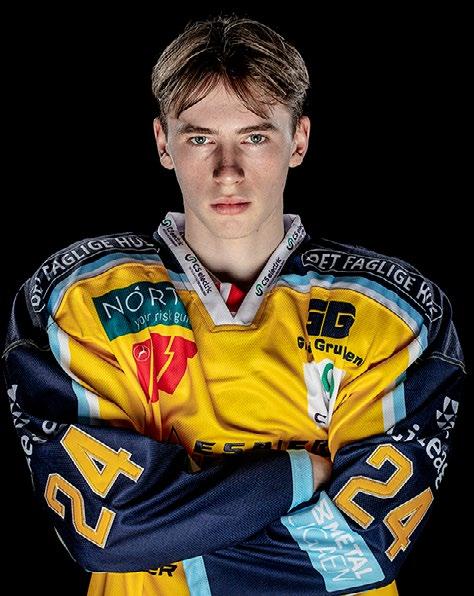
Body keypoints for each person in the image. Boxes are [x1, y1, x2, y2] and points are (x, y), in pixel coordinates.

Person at [2, 14, 465, 596]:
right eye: (200, 138)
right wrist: (298, 476)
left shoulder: (395, 311)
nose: (228, 171)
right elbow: (107, 533)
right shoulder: (77, 297)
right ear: (162, 143)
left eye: (255, 137)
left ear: (299, 141)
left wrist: (168, 529)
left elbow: (359, 551)